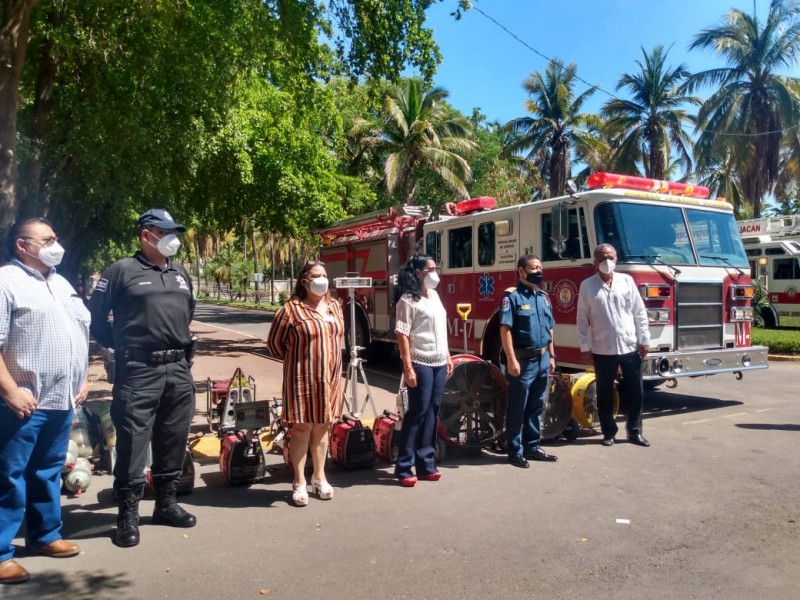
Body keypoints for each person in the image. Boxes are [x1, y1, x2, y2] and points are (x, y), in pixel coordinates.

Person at [88, 209, 197, 548]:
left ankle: (166, 504)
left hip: (178, 369)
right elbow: (95, 317)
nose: (171, 237)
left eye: (173, 231)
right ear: (145, 235)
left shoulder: (180, 273)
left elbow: (188, 313)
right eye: (163, 231)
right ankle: (128, 514)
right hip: (138, 370)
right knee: (134, 442)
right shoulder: (122, 271)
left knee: (173, 436)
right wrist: (119, 344)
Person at [0, 218, 89, 585]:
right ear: (23, 245)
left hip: (61, 399)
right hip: (22, 401)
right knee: (9, 475)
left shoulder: (62, 283)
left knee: (48, 471)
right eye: (47, 239)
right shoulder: (6, 281)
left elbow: (78, 333)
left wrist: (82, 378)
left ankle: (45, 535)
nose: (56, 244)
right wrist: (10, 391)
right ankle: (2, 553)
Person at [266, 260, 344, 506]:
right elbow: (275, 346)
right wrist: (302, 360)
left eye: (325, 274)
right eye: (316, 275)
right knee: (302, 429)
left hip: (330, 378)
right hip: (302, 379)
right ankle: (299, 481)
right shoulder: (290, 310)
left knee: (322, 427)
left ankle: (319, 477)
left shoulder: (334, 306)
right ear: (304, 281)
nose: (322, 279)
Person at [576, 243, 651, 447]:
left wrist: (644, 339)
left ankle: (634, 432)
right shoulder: (587, 286)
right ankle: (609, 432)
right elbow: (582, 318)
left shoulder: (627, 281)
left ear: (616, 259)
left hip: (629, 346)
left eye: (611, 257)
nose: (607, 262)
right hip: (602, 348)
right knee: (605, 392)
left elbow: (639, 312)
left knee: (635, 391)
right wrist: (584, 346)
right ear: (595, 263)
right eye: (603, 258)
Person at [393, 255, 452, 487]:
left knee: (433, 411)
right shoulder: (407, 300)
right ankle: (404, 466)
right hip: (421, 361)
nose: (435, 272)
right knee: (418, 411)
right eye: (431, 269)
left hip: (438, 361)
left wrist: (446, 355)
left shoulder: (435, 296)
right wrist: (408, 367)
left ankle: (426, 463)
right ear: (418, 272)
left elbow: (440, 329)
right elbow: (402, 334)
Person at [500, 254, 558, 469]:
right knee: (518, 407)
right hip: (523, 361)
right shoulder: (512, 297)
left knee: (537, 405)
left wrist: (552, 355)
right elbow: (505, 329)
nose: (538, 271)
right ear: (521, 271)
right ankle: (515, 451)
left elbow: (549, 327)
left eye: (540, 267)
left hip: (542, 358)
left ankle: (532, 446)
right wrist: (511, 359)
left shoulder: (543, 297)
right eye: (533, 268)